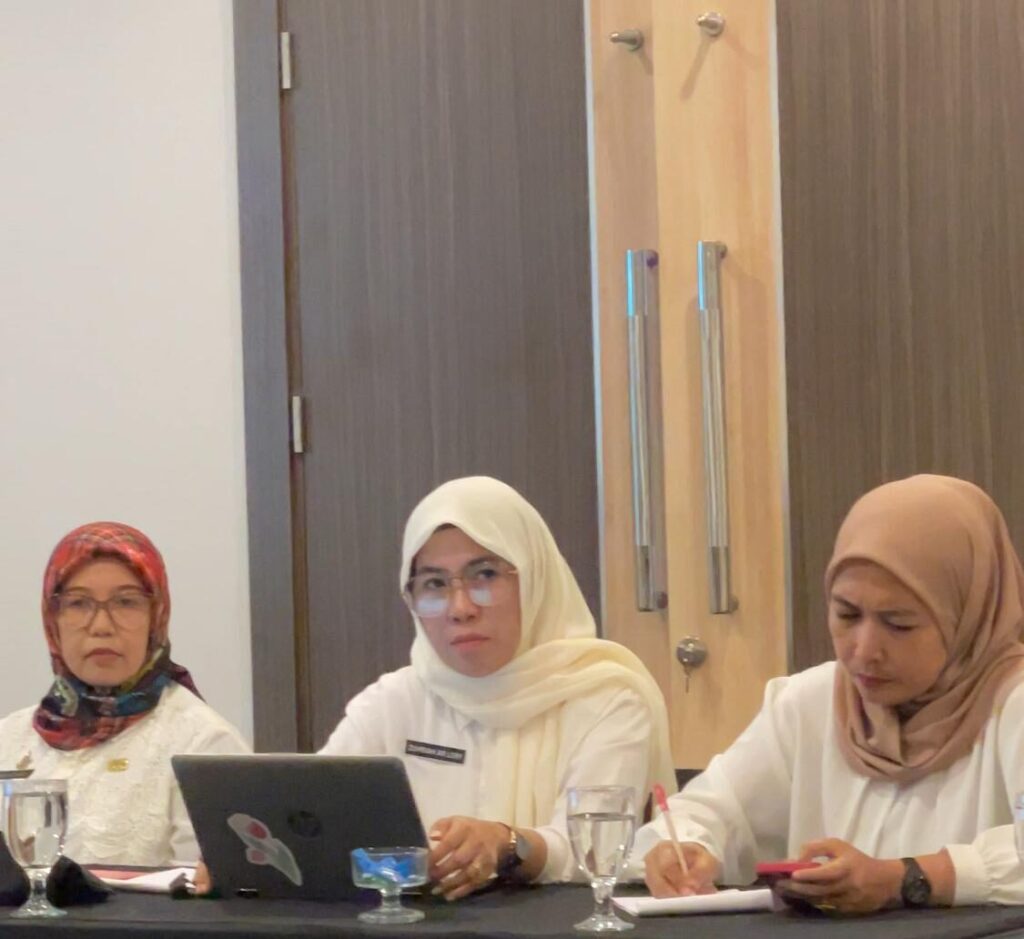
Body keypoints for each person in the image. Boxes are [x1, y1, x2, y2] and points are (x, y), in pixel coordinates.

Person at [638, 474, 1024, 913]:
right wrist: (687, 848)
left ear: (968, 617)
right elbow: (713, 807)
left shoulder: (1012, 702)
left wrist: (907, 878)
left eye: (898, 624)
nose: (864, 650)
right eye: (847, 615)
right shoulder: (813, 701)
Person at [319, 476, 675, 901]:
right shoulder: (392, 702)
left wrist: (508, 845)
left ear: (535, 577)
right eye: (434, 584)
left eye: (484, 576)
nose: (460, 608)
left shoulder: (606, 697)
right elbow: (315, 819)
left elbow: (595, 851)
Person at [0, 522, 249, 866]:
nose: (101, 626)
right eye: (79, 603)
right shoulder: (9, 739)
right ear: (52, 619)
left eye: (126, 602)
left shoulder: (203, 745)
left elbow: (211, 891)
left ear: (156, 616)